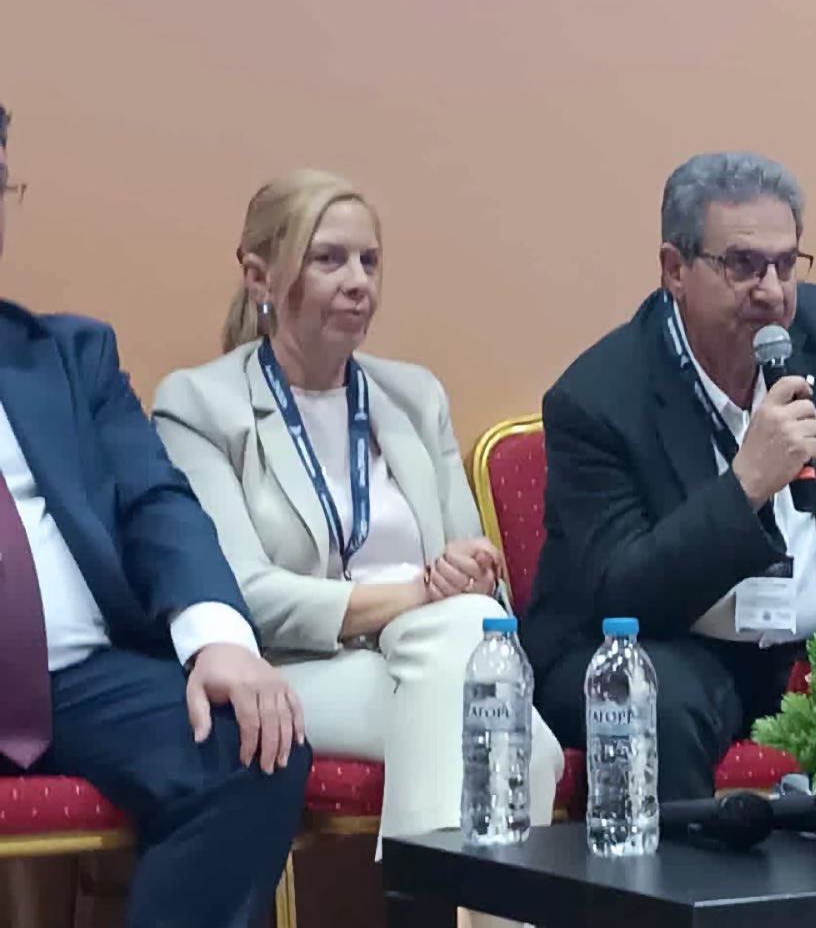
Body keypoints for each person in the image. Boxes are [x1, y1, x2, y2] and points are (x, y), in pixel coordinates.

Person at [524, 151, 816, 817]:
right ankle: (689, 887)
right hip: (663, 648)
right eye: (743, 265)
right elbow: (621, 590)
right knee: (654, 708)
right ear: (674, 269)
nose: (772, 292)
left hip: (815, 653)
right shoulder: (598, 397)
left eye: (786, 264)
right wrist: (745, 486)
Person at [150, 170, 563, 874]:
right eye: (329, 259)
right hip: (294, 670)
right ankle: (447, 906)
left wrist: (469, 577)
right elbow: (241, 592)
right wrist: (418, 593)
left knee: (482, 682)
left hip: (435, 653)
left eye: (369, 261)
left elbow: (481, 583)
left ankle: (433, 906)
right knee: (524, 742)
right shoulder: (200, 406)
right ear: (259, 276)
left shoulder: (414, 397)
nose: (358, 282)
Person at [0, 109, 310, 927]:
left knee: (250, 746)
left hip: (74, 680)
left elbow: (154, 501)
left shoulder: (67, 357)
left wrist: (219, 640)